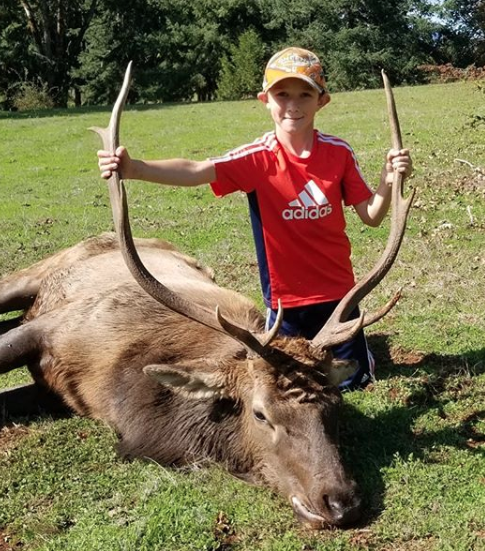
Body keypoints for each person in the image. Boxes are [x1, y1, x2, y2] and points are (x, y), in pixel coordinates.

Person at [98, 47, 412, 390]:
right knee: (289, 386)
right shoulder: (257, 158)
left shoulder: (338, 153)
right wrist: (134, 168)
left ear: (322, 101)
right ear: (265, 99)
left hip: (340, 296)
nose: (293, 104)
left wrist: (388, 179)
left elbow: (371, 215)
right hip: (285, 305)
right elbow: (197, 169)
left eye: (305, 94)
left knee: (353, 383)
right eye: (282, 94)